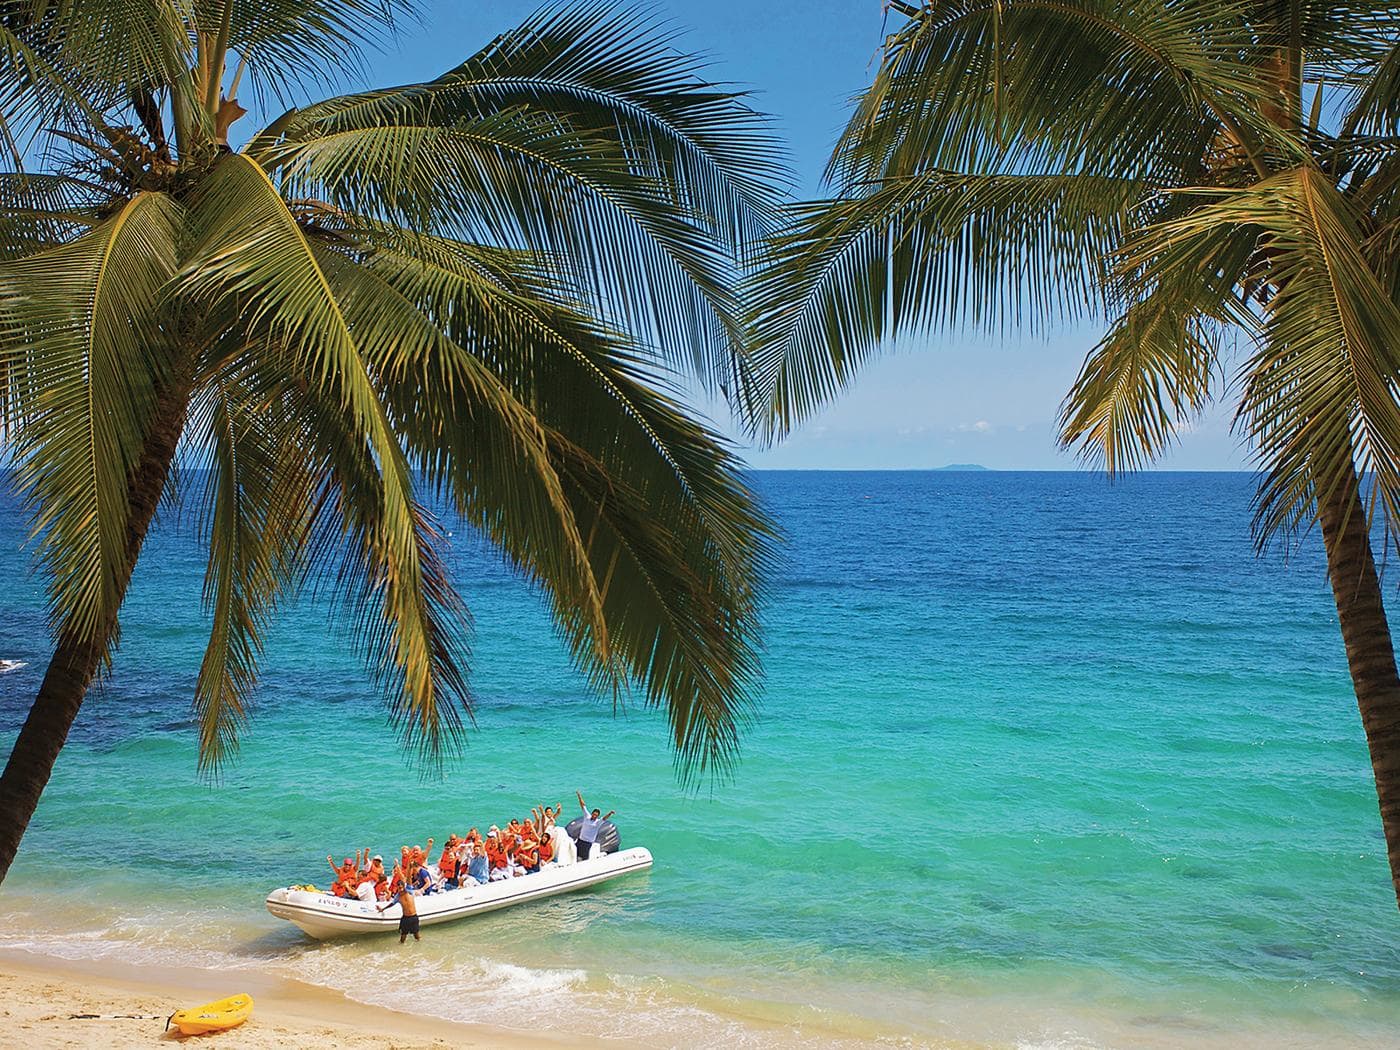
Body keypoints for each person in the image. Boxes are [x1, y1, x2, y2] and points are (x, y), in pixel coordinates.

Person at [574, 791, 615, 860]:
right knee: (575, 854)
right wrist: (579, 795)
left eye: (596, 815)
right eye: (594, 814)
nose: (594, 816)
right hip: (580, 840)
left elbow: (604, 818)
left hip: (588, 842)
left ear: (598, 816)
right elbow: (583, 805)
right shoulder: (587, 816)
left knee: (584, 857)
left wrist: (610, 813)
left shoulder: (598, 822)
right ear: (592, 813)